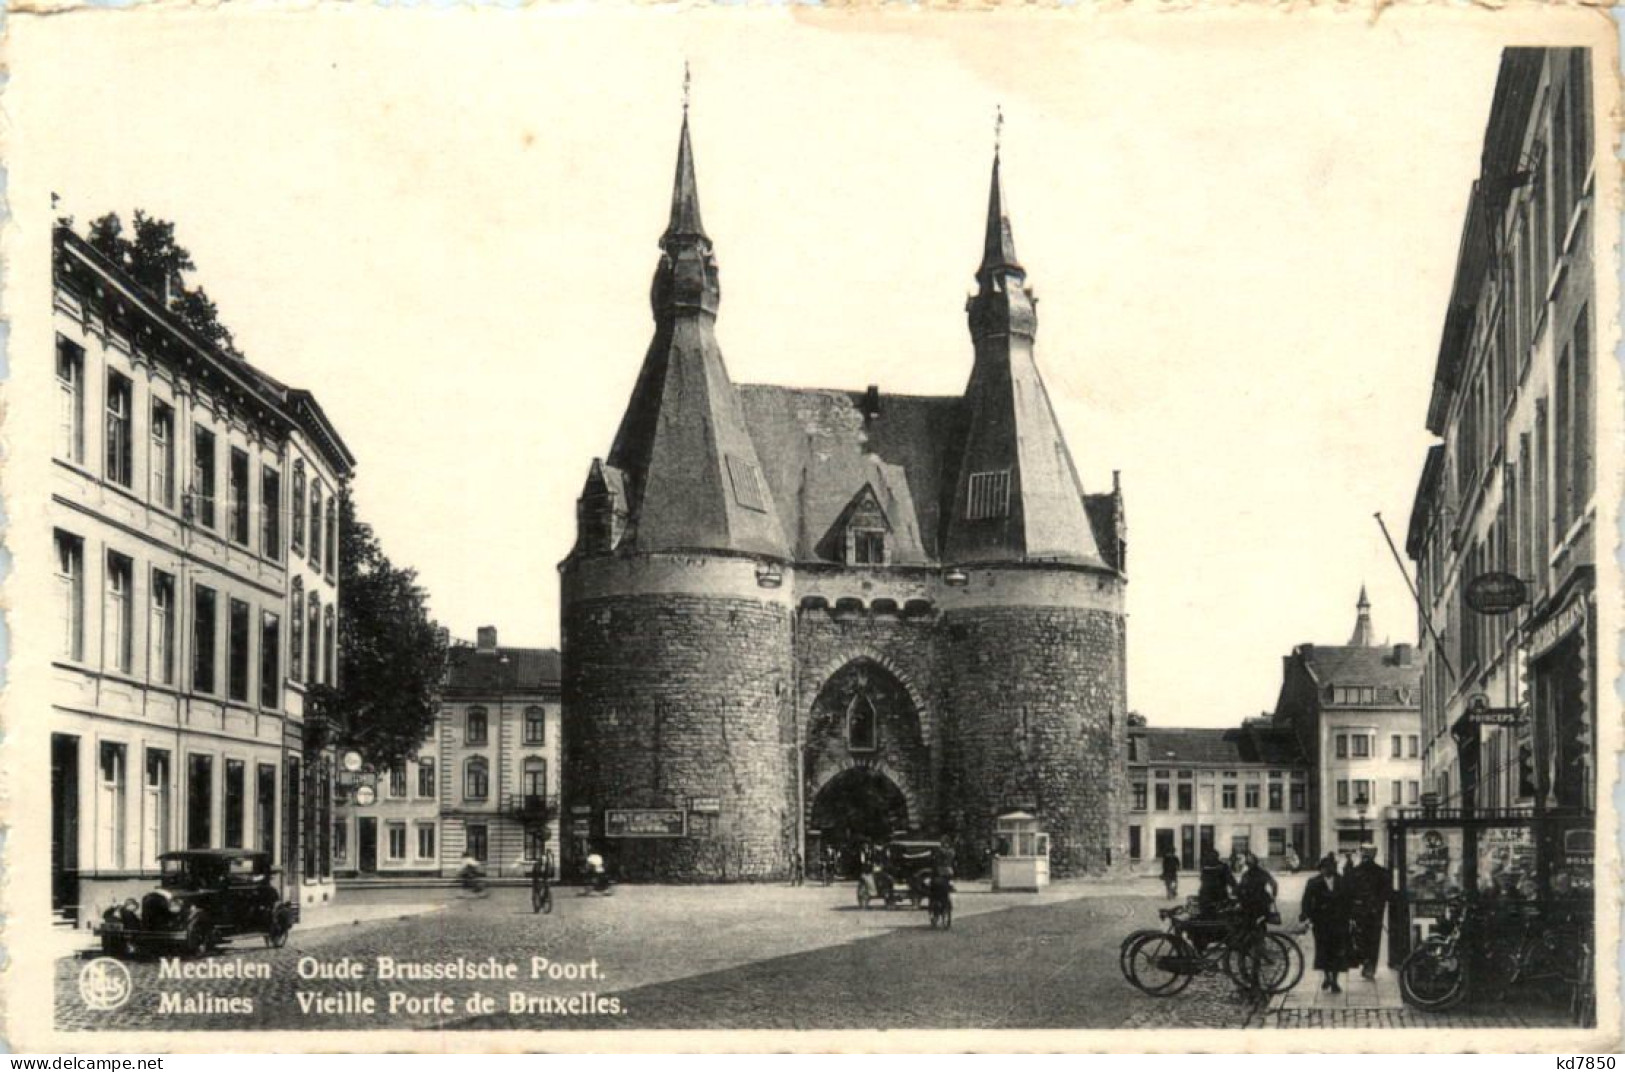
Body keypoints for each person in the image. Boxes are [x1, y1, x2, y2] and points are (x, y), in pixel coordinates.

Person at [1301, 853, 1351, 993]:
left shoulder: (1342, 881)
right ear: (1321, 869)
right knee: (1323, 950)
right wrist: (1306, 915)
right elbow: (1306, 900)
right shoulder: (1313, 882)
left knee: (1337, 951)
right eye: (1324, 867)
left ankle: (1334, 980)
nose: (1327, 870)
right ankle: (1326, 976)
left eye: (1330, 867)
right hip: (1321, 922)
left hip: (1339, 922)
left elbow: (1348, 900)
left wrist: (1350, 917)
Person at [1348, 844, 1391, 980]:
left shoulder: (1359, 871)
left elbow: (1385, 892)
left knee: (1366, 938)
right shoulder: (1379, 872)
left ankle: (1368, 964)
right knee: (1367, 939)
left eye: (1367, 854)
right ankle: (1368, 963)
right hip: (1368, 912)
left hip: (1367, 911)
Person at [1237, 852, 1278, 924]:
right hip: (1262, 900)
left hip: (1250, 901)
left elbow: (1241, 887)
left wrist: (1238, 895)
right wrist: (1273, 896)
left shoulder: (1246, 875)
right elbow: (1274, 884)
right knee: (1260, 920)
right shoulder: (1263, 873)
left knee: (1247, 920)